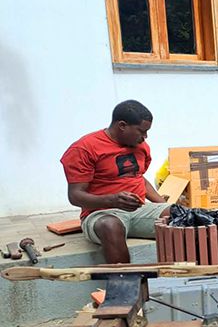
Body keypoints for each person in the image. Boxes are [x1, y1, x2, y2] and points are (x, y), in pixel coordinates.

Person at [61, 100, 170, 264]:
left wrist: (163, 206)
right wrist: (112, 200)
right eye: (142, 131)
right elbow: (75, 196)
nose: (145, 137)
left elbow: (139, 177)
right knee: (110, 226)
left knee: (182, 215)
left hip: (139, 210)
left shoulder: (141, 146)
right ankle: (125, 284)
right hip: (101, 213)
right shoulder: (84, 149)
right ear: (122, 126)